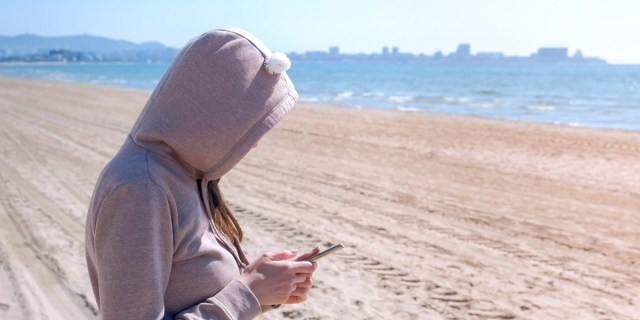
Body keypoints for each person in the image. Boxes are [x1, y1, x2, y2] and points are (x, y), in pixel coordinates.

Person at [85, 28, 319, 319]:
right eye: (246, 125)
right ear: (212, 111)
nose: (253, 142)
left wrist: (266, 285)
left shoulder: (185, 171)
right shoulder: (141, 188)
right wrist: (249, 292)